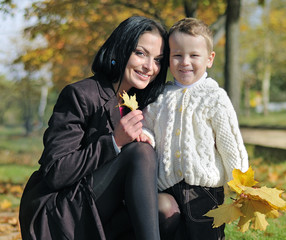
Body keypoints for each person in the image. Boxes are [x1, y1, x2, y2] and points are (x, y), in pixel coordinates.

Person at [19, 16, 169, 240]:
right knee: (140, 152)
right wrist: (114, 142)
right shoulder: (80, 95)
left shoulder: (143, 105)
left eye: (158, 59)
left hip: (105, 209)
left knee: (167, 208)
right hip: (62, 213)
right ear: (120, 50)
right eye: (141, 53)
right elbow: (55, 173)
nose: (150, 67)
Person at [140, 18, 249, 240]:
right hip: (166, 186)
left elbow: (230, 145)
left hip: (204, 189)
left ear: (209, 59)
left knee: (206, 234)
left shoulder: (214, 97)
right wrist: (146, 136)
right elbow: (147, 127)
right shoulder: (160, 96)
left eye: (194, 55)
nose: (185, 62)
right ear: (168, 59)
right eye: (177, 55)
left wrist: (242, 185)